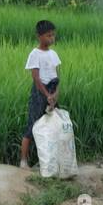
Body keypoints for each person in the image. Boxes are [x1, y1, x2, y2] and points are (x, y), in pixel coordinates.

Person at [21, 19, 61, 169]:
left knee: (52, 126)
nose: (51, 38)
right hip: (39, 93)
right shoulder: (35, 54)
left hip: (52, 91)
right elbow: (36, 78)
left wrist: (55, 94)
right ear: (39, 36)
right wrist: (47, 95)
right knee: (33, 126)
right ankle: (23, 161)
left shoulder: (54, 54)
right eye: (48, 35)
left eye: (53, 35)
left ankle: (47, 160)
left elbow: (58, 76)